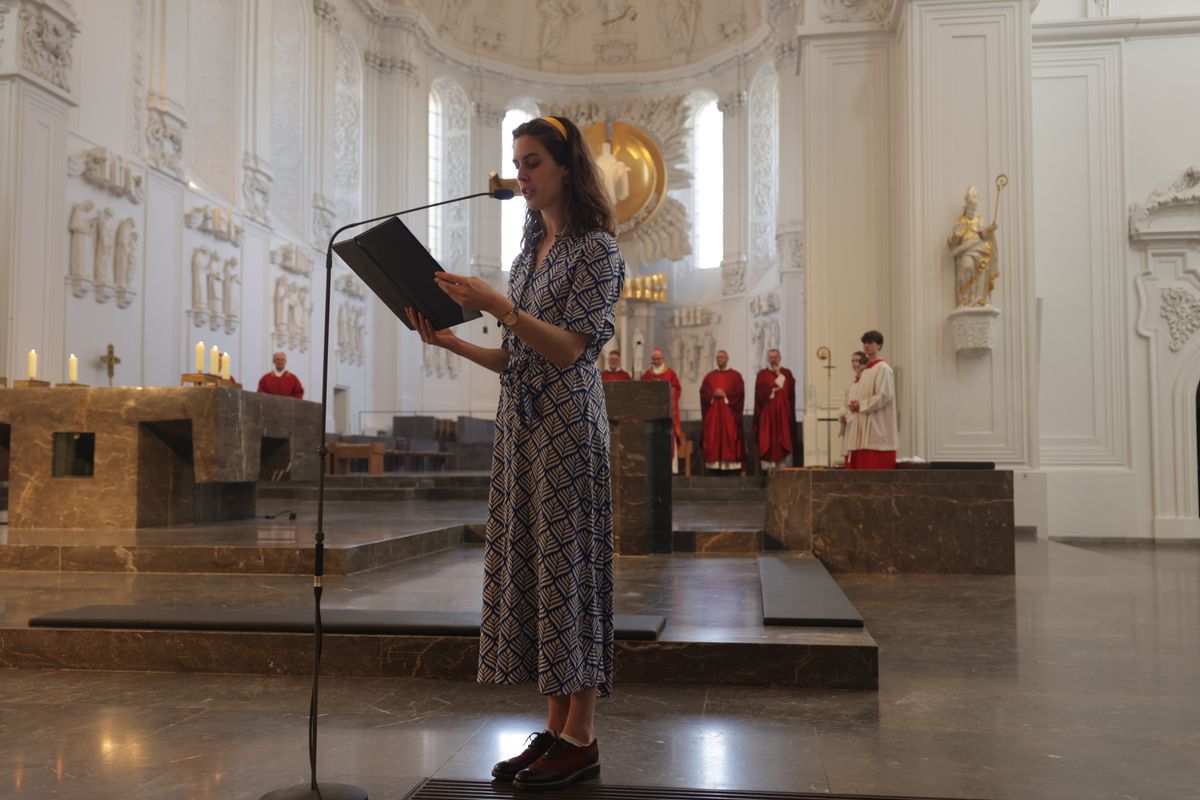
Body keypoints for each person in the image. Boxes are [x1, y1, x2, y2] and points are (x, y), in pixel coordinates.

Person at [408, 114, 623, 792]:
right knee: (535, 570)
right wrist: (450, 343)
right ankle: (557, 728)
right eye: (517, 162)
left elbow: (566, 348)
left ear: (566, 167)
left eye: (532, 162)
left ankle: (581, 737)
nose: (521, 175)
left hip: (567, 427)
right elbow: (516, 357)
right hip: (522, 429)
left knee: (571, 571)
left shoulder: (597, 251)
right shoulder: (531, 251)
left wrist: (498, 306)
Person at [847, 330, 897, 469]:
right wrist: (855, 403)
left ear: (879, 345)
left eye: (870, 343)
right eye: (864, 343)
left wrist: (861, 405)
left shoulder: (883, 368)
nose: (866, 346)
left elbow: (884, 395)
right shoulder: (866, 370)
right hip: (863, 421)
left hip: (877, 423)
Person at [699, 350, 744, 473]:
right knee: (713, 437)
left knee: (730, 437)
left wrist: (726, 394)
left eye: (722, 357)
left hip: (729, 416)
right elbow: (703, 393)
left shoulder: (736, 376)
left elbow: (740, 393)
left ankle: (730, 467)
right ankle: (714, 467)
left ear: (727, 358)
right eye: (718, 357)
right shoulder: (709, 377)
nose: (720, 359)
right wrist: (713, 394)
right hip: (713, 417)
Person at [753, 348, 797, 470]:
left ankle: (784, 468)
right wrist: (773, 389)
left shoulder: (786, 373)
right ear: (767, 359)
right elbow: (760, 393)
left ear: (780, 358)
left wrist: (779, 375)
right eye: (771, 357)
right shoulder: (762, 374)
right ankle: (769, 469)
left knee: (783, 440)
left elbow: (789, 392)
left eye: (775, 357)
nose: (773, 360)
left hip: (783, 415)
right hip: (768, 416)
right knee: (769, 440)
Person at [640, 347, 683, 472]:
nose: (656, 360)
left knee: (667, 439)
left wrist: (665, 390)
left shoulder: (670, 373)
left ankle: (669, 469)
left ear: (663, 359)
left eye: (658, 358)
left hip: (667, 413)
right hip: (651, 414)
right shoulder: (647, 375)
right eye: (654, 358)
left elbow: (677, 389)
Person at [838, 351, 868, 467]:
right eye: (852, 361)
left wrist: (850, 417)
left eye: (857, 361)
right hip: (850, 428)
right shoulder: (851, 384)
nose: (855, 364)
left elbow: (866, 404)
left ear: (864, 363)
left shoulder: (867, 383)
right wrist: (842, 416)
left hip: (860, 426)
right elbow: (845, 404)